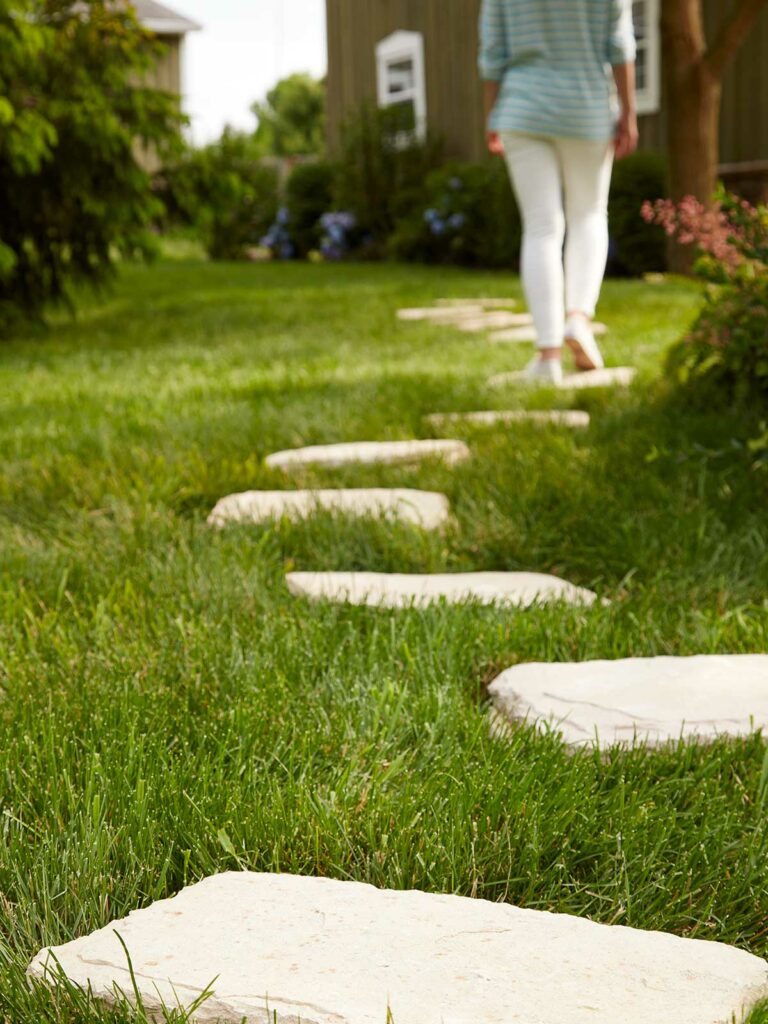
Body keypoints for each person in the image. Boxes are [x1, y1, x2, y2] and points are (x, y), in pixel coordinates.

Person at [479, 0, 638, 384]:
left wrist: (492, 115)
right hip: (587, 108)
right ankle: (578, 320)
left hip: (523, 109)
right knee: (588, 215)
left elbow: (492, 54)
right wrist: (628, 113)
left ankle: (548, 357)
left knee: (541, 227)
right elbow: (619, 45)